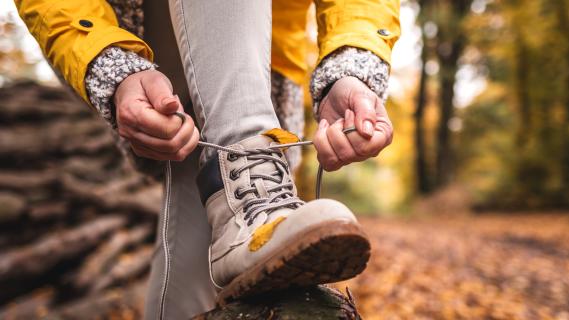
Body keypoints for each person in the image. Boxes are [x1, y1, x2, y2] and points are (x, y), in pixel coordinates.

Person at [15, 0, 400, 318]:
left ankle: (250, 193)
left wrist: (353, 67)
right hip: (121, 29)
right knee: (214, 220)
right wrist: (110, 66)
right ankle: (254, 188)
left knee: (193, 251)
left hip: (263, 47)